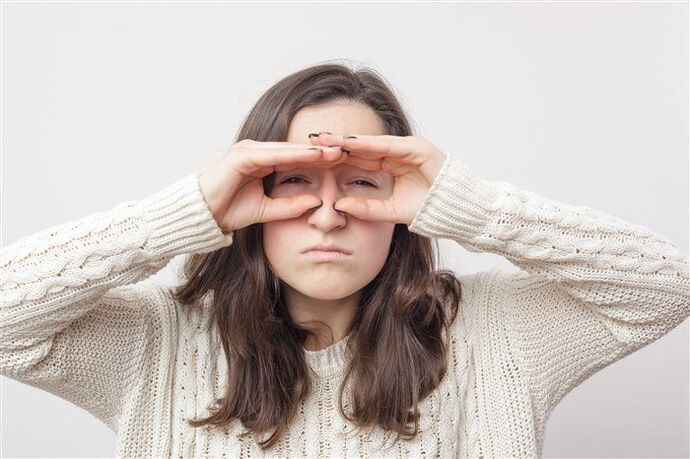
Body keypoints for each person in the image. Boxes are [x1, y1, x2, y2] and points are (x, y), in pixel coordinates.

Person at [1, 62, 688, 458]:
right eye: (296, 181)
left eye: (361, 184)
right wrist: (184, 213)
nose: (328, 214)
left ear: (408, 205)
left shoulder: (493, 332)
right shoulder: (157, 341)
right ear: (249, 195)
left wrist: (470, 205)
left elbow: (665, 286)